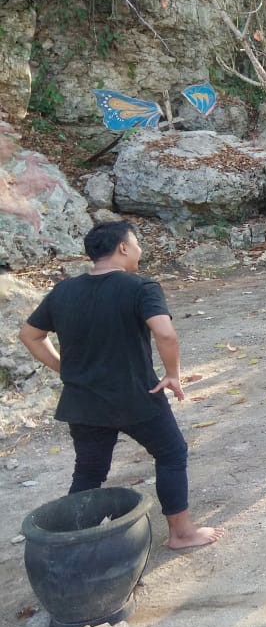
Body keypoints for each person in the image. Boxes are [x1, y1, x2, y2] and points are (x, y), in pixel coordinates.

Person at [18, 221, 225, 549]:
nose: (140, 250)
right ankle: (182, 533)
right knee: (171, 453)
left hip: (83, 401)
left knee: (89, 472)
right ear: (123, 247)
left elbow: (30, 335)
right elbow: (166, 333)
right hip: (136, 396)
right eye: (136, 243)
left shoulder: (63, 291)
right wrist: (172, 373)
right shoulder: (141, 287)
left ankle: (74, 544)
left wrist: (65, 367)